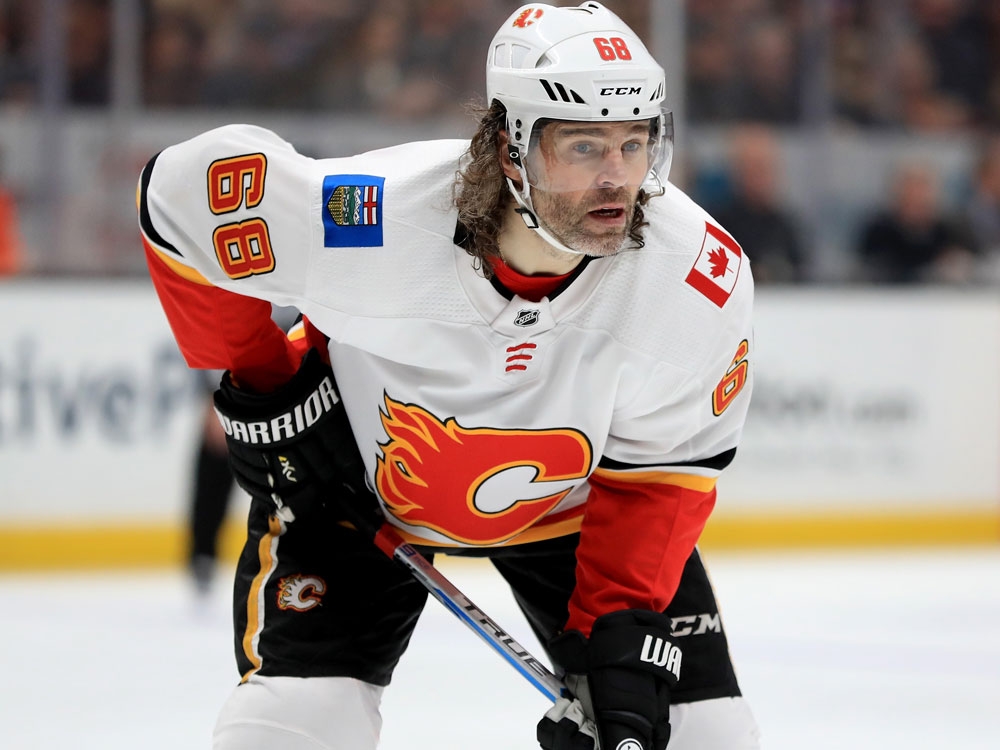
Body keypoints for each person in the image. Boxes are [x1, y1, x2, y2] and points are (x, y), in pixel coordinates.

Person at [137, 4, 759, 749]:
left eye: (634, 144)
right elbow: (180, 196)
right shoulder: (370, 219)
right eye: (584, 145)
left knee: (705, 736)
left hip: (577, 515)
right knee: (292, 729)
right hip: (356, 493)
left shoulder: (692, 277)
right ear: (508, 145)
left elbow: (663, 475)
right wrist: (266, 379)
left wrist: (615, 632)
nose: (616, 179)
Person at [856, 161, 978, 283]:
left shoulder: (951, 229)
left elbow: (971, 263)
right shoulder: (879, 230)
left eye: (922, 189)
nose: (916, 196)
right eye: (910, 189)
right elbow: (867, 268)